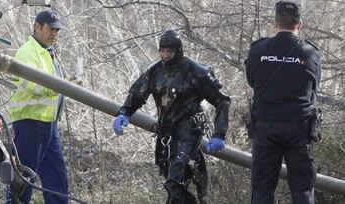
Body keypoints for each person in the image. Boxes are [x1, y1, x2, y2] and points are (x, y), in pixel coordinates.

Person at [112, 30, 231, 204]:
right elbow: (137, 94)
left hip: (190, 129)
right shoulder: (154, 71)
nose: (165, 55)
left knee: (176, 177)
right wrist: (124, 113)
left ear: (178, 51)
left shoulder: (195, 72)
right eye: (162, 51)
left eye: (169, 51)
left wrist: (219, 133)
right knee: (173, 180)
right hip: (166, 132)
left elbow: (222, 100)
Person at [245, 1, 321, 203]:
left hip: (266, 126)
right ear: (300, 24)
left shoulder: (258, 50)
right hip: (300, 128)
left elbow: (252, 80)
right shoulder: (310, 53)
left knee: (261, 188)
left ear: (275, 23)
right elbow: (314, 86)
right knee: (303, 188)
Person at [6, 9, 68, 204]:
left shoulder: (48, 53)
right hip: (31, 124)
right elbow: (33, 84)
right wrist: (60, 86)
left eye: (57, 31)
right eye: (51, 29)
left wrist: (67, 82)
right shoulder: (28, 52)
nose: (54, 34)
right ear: (37, 27)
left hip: (49, 124)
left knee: (57, 179)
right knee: (23, 179)